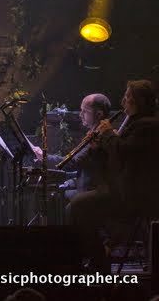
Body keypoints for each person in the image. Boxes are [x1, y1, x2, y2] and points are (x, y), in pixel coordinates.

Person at [67, 80, 159, 269]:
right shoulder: (134, 123)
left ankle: (99, 259)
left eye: (127, 97)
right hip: (121, 189)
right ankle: (98, 256)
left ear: (138, 101)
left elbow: (124, 152)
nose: (123, 101)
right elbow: (115, 157)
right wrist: (96, 147)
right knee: (75, 206)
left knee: (77, 206)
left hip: (132, 194)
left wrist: (109, 134)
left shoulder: (148, 125)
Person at [31, 93, 111, 199]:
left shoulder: (99, 136)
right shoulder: (94, 133)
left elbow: (72, 163)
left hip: (92, 191)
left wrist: (43, 156)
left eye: (84, 111)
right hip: (87, 186)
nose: (80, 115)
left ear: (99, 114)